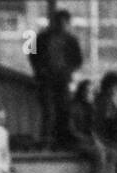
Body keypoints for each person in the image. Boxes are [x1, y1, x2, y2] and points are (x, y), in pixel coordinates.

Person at [29, 10, 83, 148]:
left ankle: (61, 141)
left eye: (64, 23)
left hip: (62, 79)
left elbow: (78, 60)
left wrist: (68, 70)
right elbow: (31, 54)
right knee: (49, 110)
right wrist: (39, 69)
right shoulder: (42, 38)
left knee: (63, 109)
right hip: (46, 79)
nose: (61, 25)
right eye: (59, 22)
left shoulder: (71, 40)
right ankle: (46, 141)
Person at [68, 80, 114, 173]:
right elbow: (72, 130)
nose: (91, 95)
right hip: (77, 142)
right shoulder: (75, 108)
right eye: (88, 92)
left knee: (111, 153)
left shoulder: (92, 108)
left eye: (93, 92)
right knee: (99, 152)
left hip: (89, 141)